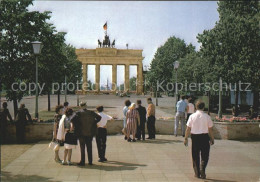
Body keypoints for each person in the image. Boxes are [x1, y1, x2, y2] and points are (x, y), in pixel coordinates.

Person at [184, 100, 214, 179]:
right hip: (204, 137)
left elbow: (188, 128)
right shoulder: (207, 117)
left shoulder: (192, 116)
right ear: (203, 107)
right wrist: (212, 138)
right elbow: (210, 129)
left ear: (196, 107)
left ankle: (197, 173)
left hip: (195, 137)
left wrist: (186, 138)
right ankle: (202, 168)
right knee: (205, 155)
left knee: (195, 155)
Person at [71, 102, 101, 166]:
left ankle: (82, 161)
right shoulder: (91, 112)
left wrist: (78, 125)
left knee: (82, 148)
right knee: (89, 147)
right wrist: (93, 123)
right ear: (86, 106)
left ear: (80, 106)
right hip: (90, 132)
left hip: (81, 132)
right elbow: (99, 117)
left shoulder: (78, 113)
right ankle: (90, 161)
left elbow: (72, 119)